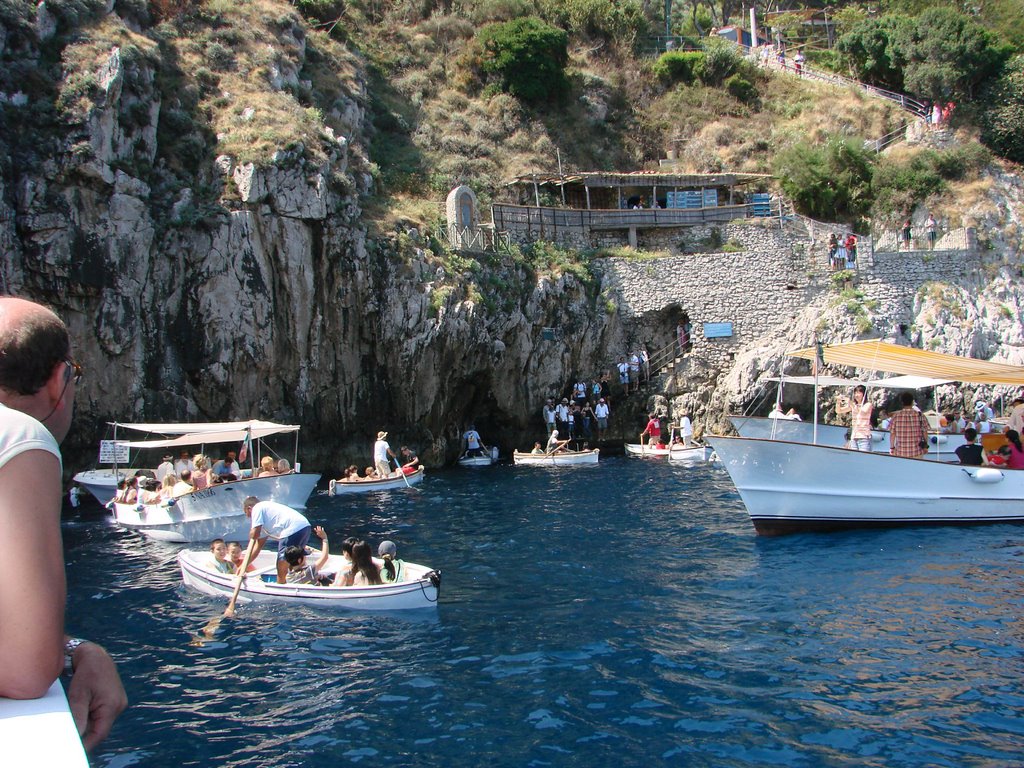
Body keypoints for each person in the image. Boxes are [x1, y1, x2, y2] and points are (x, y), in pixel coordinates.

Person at [0, 296, 126, 749]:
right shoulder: (22, 434)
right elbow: (27, 668)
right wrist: (68, 652)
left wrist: (75, 648)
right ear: (59, 380)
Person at [241, 496, 312, 584]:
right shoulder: (265, 518)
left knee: (282, 562)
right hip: (305, 527)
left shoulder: (257, 507)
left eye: (246, 513)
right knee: (293, 559)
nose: (248, 517)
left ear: (249, 509)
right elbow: (257, 547)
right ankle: (298, 582)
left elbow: (254, 534)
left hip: (292, 528)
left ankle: (281, 585)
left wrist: (252, 533)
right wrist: (243, 566)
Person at [889, 392, 931, 458]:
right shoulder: (921, 416)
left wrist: (892, 447)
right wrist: (925, 447)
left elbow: (892, 434)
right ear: (912, 402)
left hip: (900, 452)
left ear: (902, 402)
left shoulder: (896, 416)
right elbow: (925, 433)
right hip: (917, 452)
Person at [836, 385, 873, 452]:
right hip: (854, 436)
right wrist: (838, 402)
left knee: (864, 457)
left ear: (863, 394)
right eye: (855, 393)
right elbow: (839, 411)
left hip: (864, 437)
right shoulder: (854, 405)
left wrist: (851, 403)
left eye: (858, 393)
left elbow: (862, 412)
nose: (856, 395)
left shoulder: (868, 405)